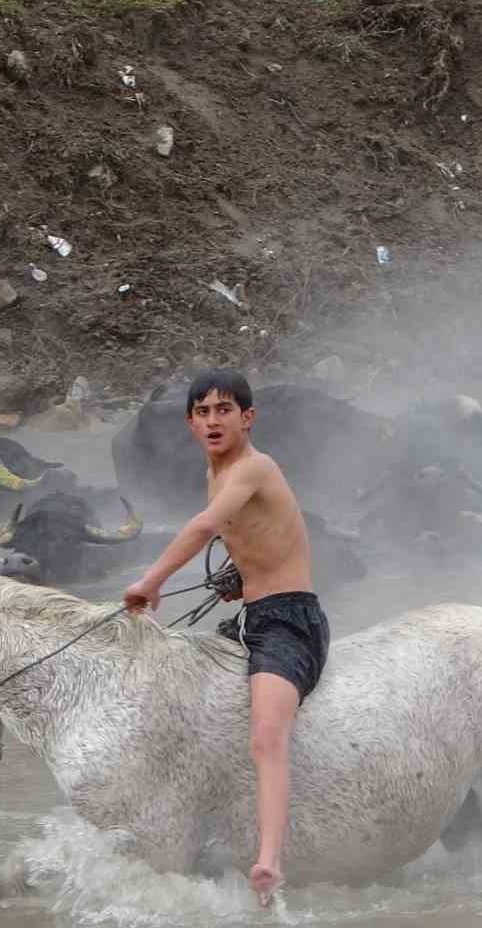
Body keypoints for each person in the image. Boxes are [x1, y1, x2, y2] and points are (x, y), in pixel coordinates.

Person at [122, 368, 330, 906]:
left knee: (265, 736)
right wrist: (239, 577)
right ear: (191, 423)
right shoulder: (217, 472)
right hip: (252, 619)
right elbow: (265, 534)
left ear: (247, 417)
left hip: (290, 622)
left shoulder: (254, 467)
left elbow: (203, 527)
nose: (213, 420)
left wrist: (150, 582)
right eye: (202, 412)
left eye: (224, 410)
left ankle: (268, 862)